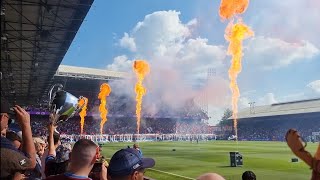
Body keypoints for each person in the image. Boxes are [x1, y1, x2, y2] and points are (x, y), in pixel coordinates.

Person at [1, 98, 36, 179]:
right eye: (8, 118)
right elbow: (28, 162)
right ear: (2, 118)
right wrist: (26, 125)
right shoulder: (3, 144)